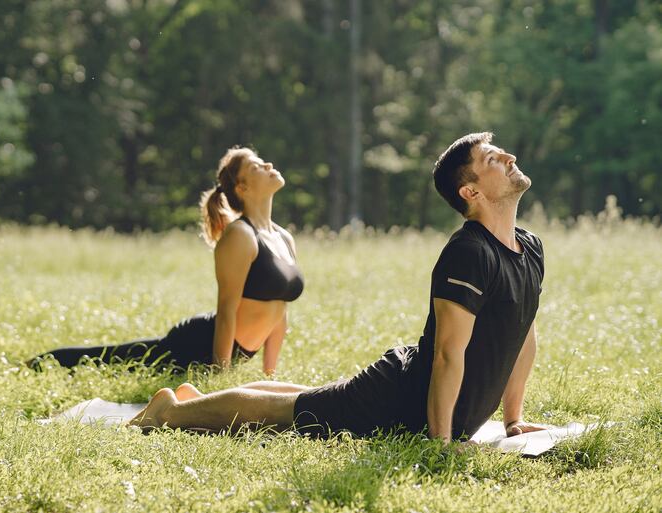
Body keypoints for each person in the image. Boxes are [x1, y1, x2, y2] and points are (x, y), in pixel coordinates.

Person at [128, 132, 548, 442]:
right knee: (290, 412)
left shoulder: (528, 247)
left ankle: (199, 399)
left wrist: (513, 420)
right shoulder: (470, 253)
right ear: (470, 191)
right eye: (493, 158)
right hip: (401, 398)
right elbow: (446, 354)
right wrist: (439, 445)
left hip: (415, 392)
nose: (509, 156)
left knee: (311, 398)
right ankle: (171, 412)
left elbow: (521, 334)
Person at [28, 147, 304, 375]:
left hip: (236, 350)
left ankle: (42, 364)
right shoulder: (240, 235)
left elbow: (280, 312)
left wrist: (270, 377)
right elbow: (227, 309)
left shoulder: (283, 237)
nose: (268, 164)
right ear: (242, 187)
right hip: (196, 345)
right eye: (257, 166)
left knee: (120, 359)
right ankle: (41, 364)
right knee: (113, 360)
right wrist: (220, 376)